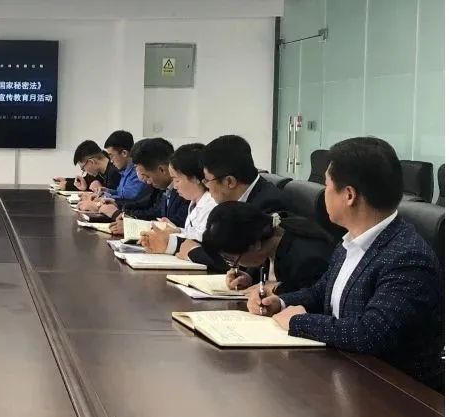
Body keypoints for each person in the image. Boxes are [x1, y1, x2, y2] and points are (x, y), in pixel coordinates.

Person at [254, 137, 444, 392]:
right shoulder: (351, 241)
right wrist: (280, 301)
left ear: (349, 195)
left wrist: (299, 321)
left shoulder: (407, 257)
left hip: (395, 396)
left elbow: (371, 333)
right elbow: (322, 292)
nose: (323, 194)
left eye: (327, 186)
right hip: (346, 375)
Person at [186, 135, 286, 271]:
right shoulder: (245, 200)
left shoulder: (267, 204)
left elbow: (248, 259)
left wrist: (193, 251)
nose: (206, 187)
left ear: (229, 181)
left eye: (207, 180)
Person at [201, 201, 333, 295]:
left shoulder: (306, 260)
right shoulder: (269, 231)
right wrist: (250, 278)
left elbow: (314, 297)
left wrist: (277, 289)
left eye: (232, 260)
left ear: (255, 245)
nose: (236, 266)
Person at [137, 143, 217, 255]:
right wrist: (176, 230)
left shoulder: (211, 205)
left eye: (177, 180)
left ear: (195, 178)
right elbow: (193, 233)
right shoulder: (194, 202)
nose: (174, 186)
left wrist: (171, 237)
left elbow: (202, 242)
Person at [120, 138, 188, 226]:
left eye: (147, 176)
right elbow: (156, 213)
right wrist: (130, 217)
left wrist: (131, 225)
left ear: (162, 170)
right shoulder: (165, 188)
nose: (147, 182)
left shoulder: (184, 191)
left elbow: (176, 225)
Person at [78, 130, 149, 212]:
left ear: (124, 153)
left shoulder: (137, 173)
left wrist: (100, 201)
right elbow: (120, 193)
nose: (111, 161)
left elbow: (129, 200)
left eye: (111, 156)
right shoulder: (125, 171)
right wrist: (107, 191)